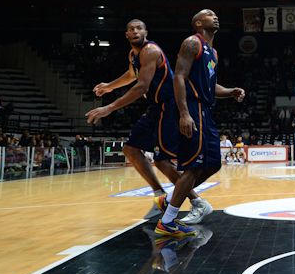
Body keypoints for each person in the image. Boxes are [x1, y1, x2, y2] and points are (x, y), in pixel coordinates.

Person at [84, 20, 210, 224]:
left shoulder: (150, 50)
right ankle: (160, 197)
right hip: (154, 108)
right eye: (131, 29)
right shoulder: (133, 54)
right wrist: (110, 86)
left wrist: (109, 107)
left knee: (162, 161)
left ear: (146, 32)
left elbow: (142, 86)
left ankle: (198, 203)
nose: (135, 31)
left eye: (139, 28)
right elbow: (132, 75)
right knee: (131, 150)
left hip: (170, 105)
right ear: (126, 35)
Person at [156, 9, 244, 237]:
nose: (216, 17)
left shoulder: (212, 52)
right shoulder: (192, 43)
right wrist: (184, 113)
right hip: (192, 108)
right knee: (195, 165)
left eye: (217, 14)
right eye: (210, 15)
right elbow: (179, 77)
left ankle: (171, 198)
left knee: (213, 163)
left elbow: (211, 87)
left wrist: (230, 91)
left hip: (206, 110)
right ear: (198, 23)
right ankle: (167, 220)